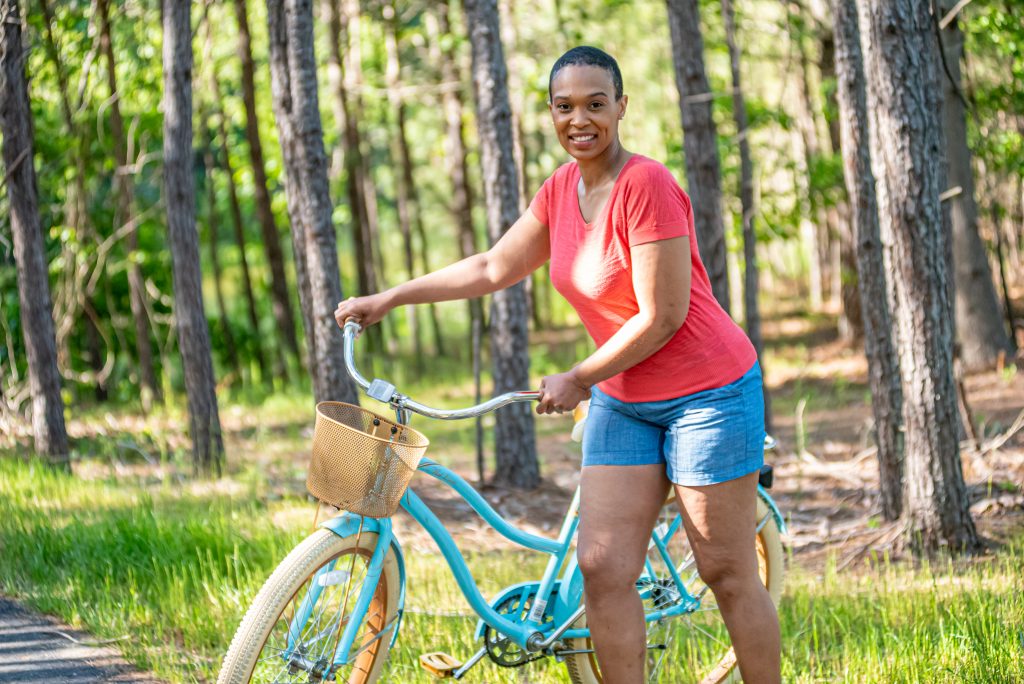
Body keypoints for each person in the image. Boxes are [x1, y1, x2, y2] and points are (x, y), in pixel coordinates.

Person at [334, 45, 780, 684]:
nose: (581, 119)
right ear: (550, 113)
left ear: (620, 107)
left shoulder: (646, 184)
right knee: (602, 568)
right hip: (626, 397)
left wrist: (578, 377)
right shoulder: (560, 190)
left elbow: (663, 316)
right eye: (565, 106)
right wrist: (392, 296)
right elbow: (493, 266)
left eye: (596, 104)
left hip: (708, 393)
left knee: (726, 571)